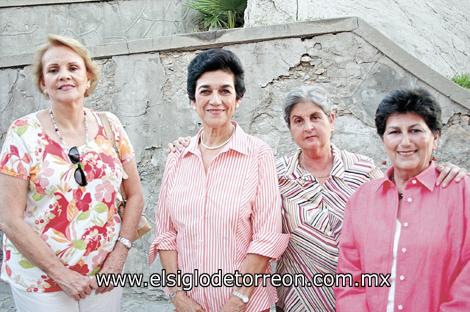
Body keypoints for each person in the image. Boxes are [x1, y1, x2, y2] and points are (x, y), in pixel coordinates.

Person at [170, 85, 466, 311]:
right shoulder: (274, 174)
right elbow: (231, 198)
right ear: (290, 129)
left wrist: (441, 168)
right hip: (300, 298)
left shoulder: (362, 170)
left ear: (332, 119)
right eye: (298, 120)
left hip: (363, 298)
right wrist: (193, 145)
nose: (308, 126)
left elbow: (405, 199)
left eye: (315, 117)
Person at [0, 34, 144, 312]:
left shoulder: (110, 125)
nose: (64, 75)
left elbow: (135, 195)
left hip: (103, 277)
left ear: (88, 78)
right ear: (43, 83)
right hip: (40, 282)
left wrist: (119, 256)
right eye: (53, 70)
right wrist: (61, 275)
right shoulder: (23, 133)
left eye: (73, 68)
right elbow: (8, 219)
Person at [148, 48, 289, 312]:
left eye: (225, 91)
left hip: (246, 306)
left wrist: (237, 302)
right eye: (205, 91)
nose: (215, 100)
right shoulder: (178, 157)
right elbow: (166, 234)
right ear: (193, 100)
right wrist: (177, 296)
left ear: (238, 99)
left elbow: (266, 236)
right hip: (190, 306)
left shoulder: (258, 154)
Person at [335, 88, 470, 311]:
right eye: (395, 132)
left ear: (435, 137)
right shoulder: (362, 199)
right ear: (383, 139)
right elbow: (350, 276)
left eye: (416, 130)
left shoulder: (461, 192)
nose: (405, 142)